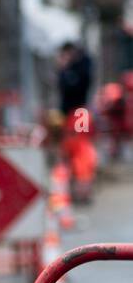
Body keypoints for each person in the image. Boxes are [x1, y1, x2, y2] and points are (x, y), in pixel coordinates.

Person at [57, 42, 97, 203]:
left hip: (78, 112)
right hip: (76, 113)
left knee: (80, 152)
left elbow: (72, 87)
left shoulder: (78, 68)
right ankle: (79, 190)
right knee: (75, 152)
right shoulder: (78, 67)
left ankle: (82, 191)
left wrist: (65, 69)